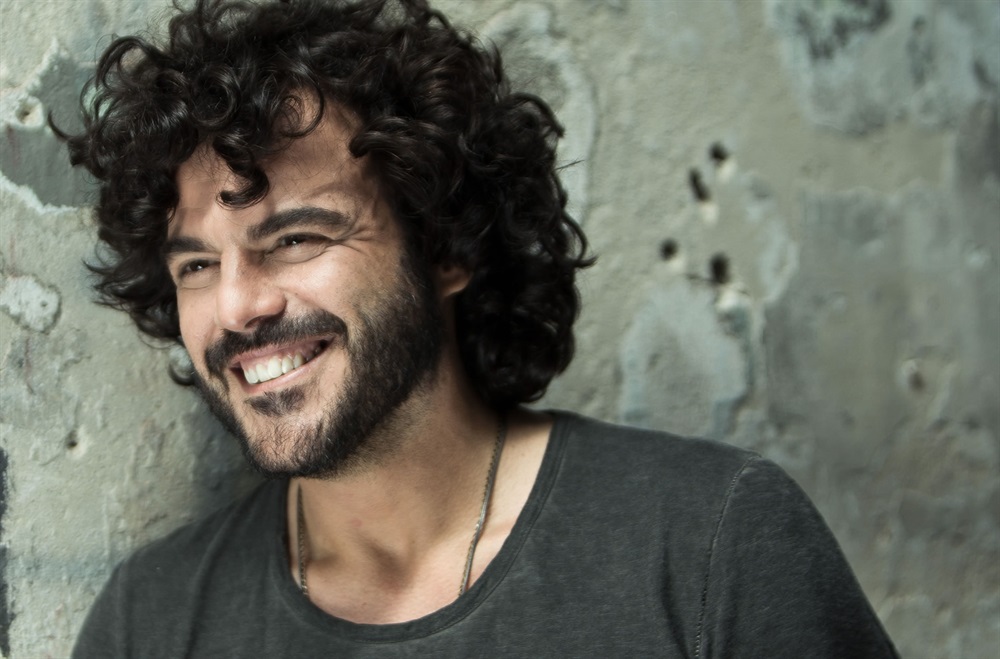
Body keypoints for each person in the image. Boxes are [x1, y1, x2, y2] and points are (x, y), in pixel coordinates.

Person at [59, 0, 898, 656]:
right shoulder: (149, 622)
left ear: (446, 247)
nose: (238, 306)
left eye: (296, 239)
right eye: (197, 265)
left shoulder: (712, 543)